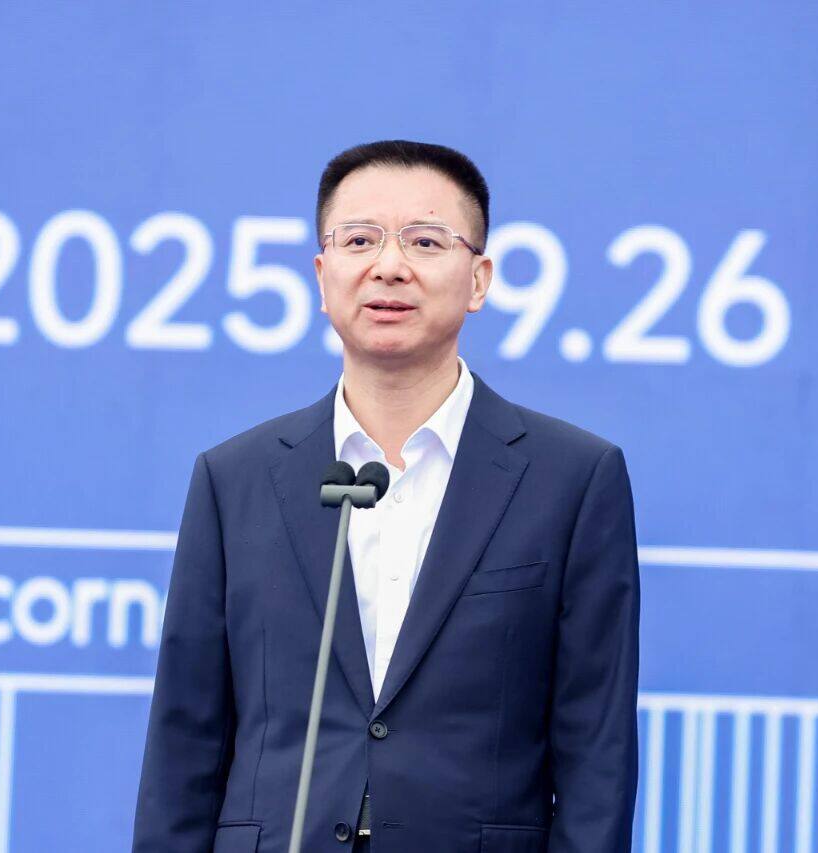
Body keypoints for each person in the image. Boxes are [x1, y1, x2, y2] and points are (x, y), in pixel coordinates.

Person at [133, 140, 640, 852]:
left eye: (425, 241)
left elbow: (597, 752)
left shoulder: (572, 479)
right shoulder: (235, 479)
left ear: (479, 279)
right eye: (359, 240)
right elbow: (183, 740)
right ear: (322, 275)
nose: (389, 265)